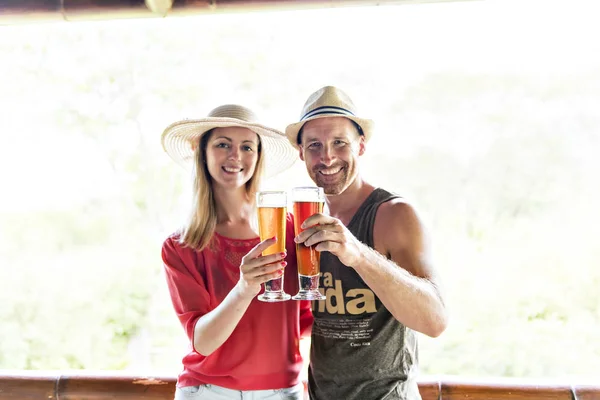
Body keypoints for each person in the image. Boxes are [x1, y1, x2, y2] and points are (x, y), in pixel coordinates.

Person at [285, 86, 448, 400]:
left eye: (339, 143)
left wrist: (357, 253)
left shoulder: (394, 214)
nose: (327, 156)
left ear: (360, 147)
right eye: (314, 145)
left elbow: (435, 320)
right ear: (301, 153)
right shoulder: (303, 218)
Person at [160, 104, 313, 400]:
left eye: (247, 147)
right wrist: (244, 288)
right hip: (207, 392)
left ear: (258, 156)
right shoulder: (180, 246)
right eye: (223, 144)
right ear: (199, 151)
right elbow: (202, 342)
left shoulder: (290, 230)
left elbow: (307, 321)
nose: (235, 156)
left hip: (284, 391)